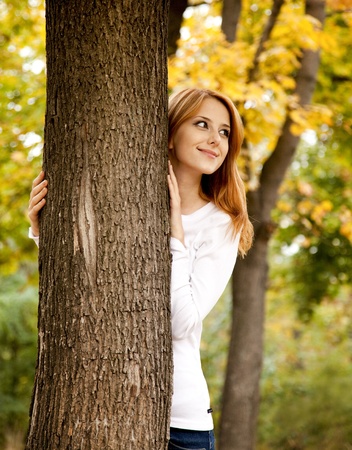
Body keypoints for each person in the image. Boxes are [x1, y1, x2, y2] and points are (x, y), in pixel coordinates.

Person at [28, 88, 253, 450]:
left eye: (225, 132)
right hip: (103, 412)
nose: (216, 140)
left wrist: (175, 233)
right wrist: (42, 232)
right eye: (202, 125)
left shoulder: (222, 223)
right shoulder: (124, 202)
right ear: (169, 133)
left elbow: (182, 323)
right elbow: (85, 290)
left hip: (181, 425)